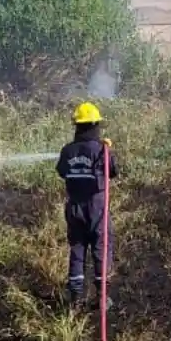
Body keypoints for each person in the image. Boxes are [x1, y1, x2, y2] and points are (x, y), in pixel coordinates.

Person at [56, 101, 119, 310]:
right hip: (97, 210)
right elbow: (113, 171)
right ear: (95, 125)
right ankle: (102, 298)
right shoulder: (101, 150)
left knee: (77, 249)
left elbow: (62, 171)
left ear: (77, 126)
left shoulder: (67, 150)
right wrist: (107, 150)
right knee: (102, 248)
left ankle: (76, 299)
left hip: (75, 209)